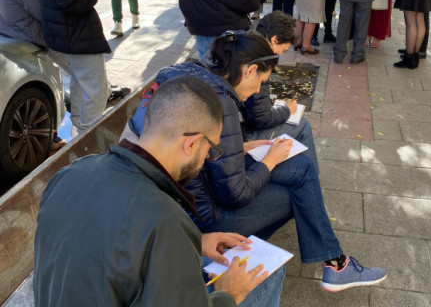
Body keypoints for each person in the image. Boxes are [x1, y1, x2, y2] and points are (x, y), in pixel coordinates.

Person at [125, 32, 387, 294]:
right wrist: (269, 162)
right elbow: (234, 195)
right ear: (250, 70)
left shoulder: (189, 78)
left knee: (301, 171)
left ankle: (333, 258)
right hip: (206, 220)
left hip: (187, 203)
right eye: (261, 81)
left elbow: (198, 158)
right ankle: (335, 262)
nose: (255, 93)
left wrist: (239, 147)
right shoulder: (221, 101)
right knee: (300, 187)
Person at [34, 76, 285, 307]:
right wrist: (228, 295)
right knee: (269, 274)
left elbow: (107, 238)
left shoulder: (72, 172)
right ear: (192, 143)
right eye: (211, 149)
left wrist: (193, 243)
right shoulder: (165, 218)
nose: (208, 159)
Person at [39, 0, 129, 135]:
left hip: (65, 35)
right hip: (78, 37)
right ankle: (88, 134)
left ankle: (79, 127)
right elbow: (73, 3)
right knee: (96, 90)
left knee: (80, 83)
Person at [244, 11, 319, 173]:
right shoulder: (259, 62)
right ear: (274, 39)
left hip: (238, 131)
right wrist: (286, 110)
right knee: (303, 124)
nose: (279, 55)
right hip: (245, 135)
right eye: (282, 50)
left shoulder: (245, 44)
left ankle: (306, 172)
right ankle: (310, 174)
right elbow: (261, 118)